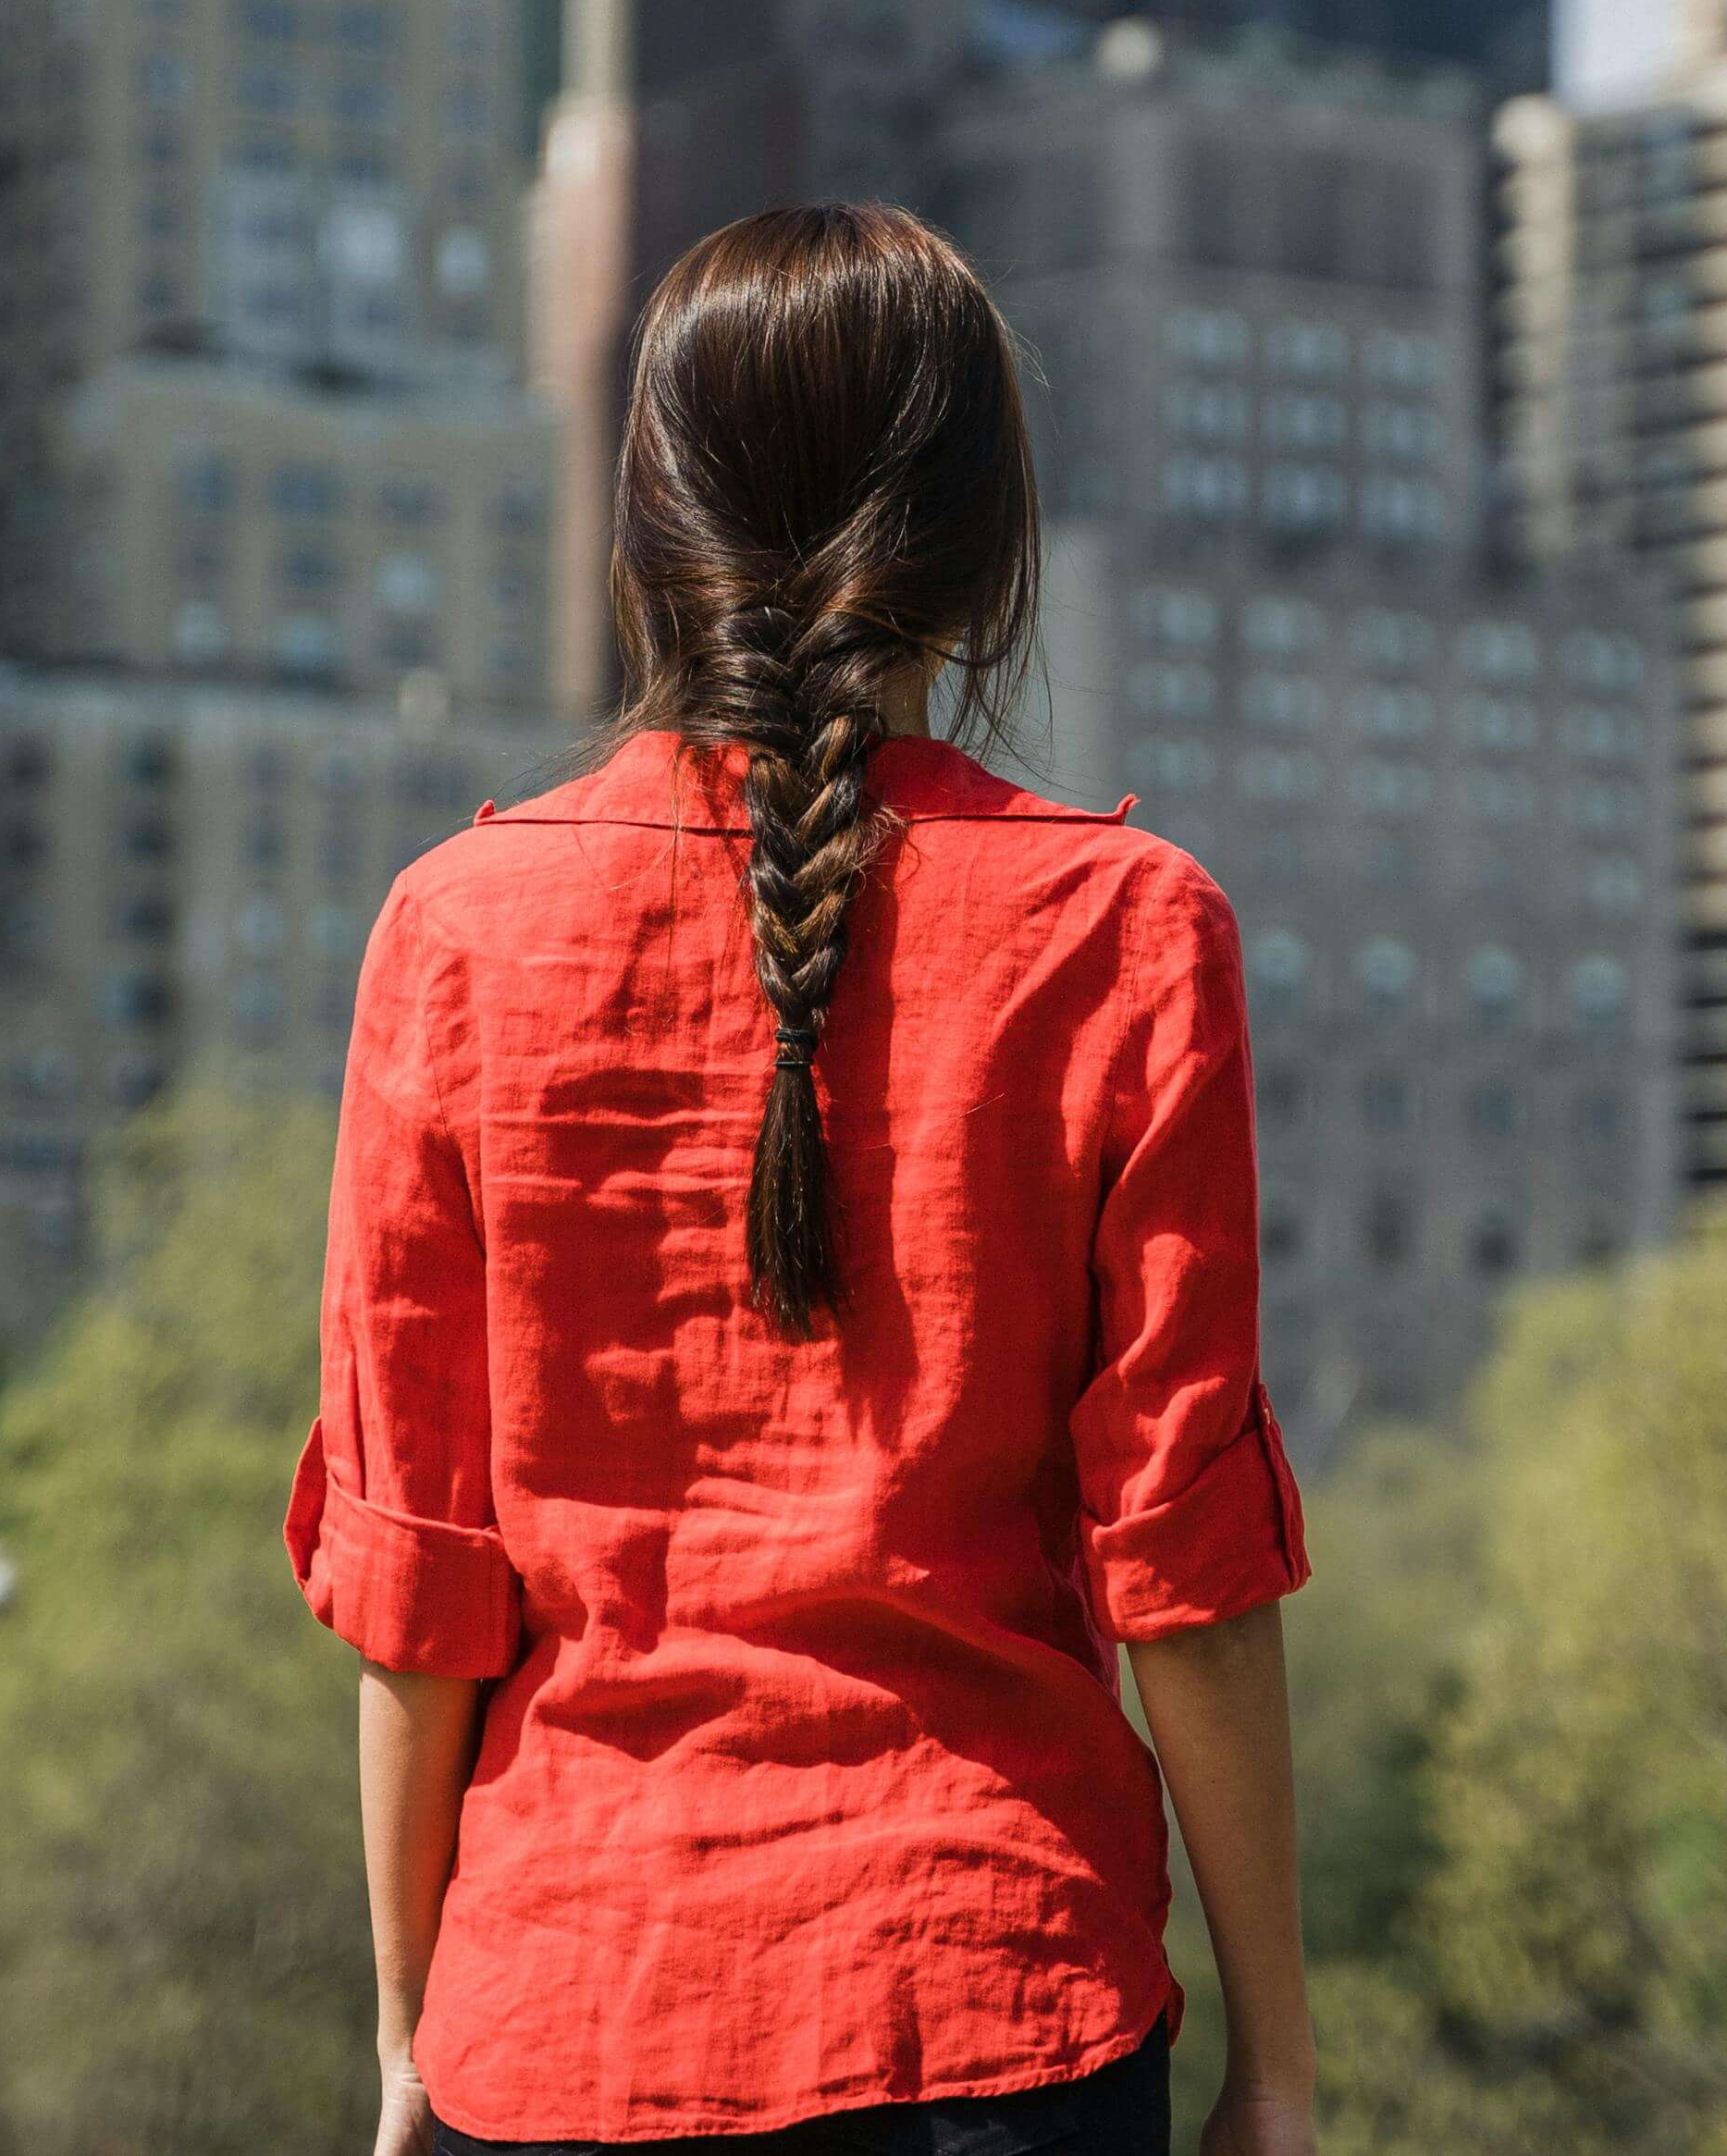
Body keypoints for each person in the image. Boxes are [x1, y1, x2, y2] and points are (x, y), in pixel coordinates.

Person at [288, 203, 1321, 2155]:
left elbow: (419, 1579)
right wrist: (1275, 2058)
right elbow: (1185, 1577)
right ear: (987, 543)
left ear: (649, 526)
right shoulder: (1125, 931)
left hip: (567, 2008)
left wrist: (405, 2027)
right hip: (996, 2007)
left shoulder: (455, 933)